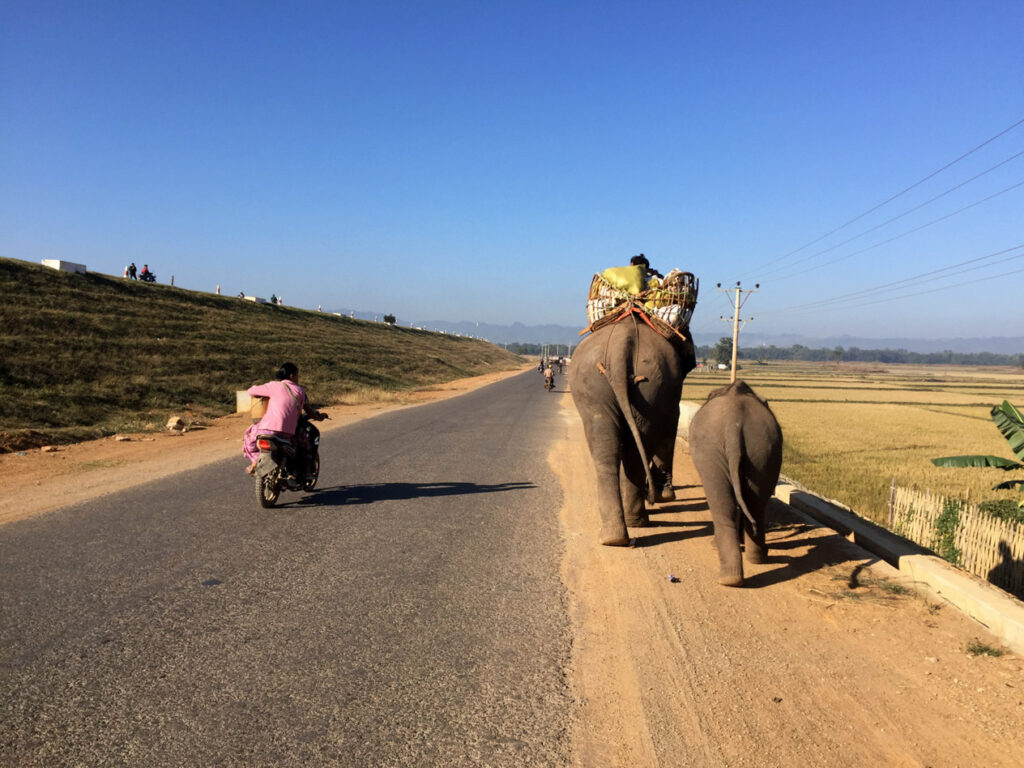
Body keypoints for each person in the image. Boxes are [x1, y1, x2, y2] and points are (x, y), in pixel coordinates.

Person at [243, 362, 326, 474]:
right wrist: (319, 417)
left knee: (249, 436)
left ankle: (255, 460)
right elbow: (308, 410)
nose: (298, 378)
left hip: (266, 429)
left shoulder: (273, 386)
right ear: (292, 376)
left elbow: (250, 391)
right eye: (297, 375)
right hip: (287, 433)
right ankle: (302, 472)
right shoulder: (300, 391)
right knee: (303, 446)